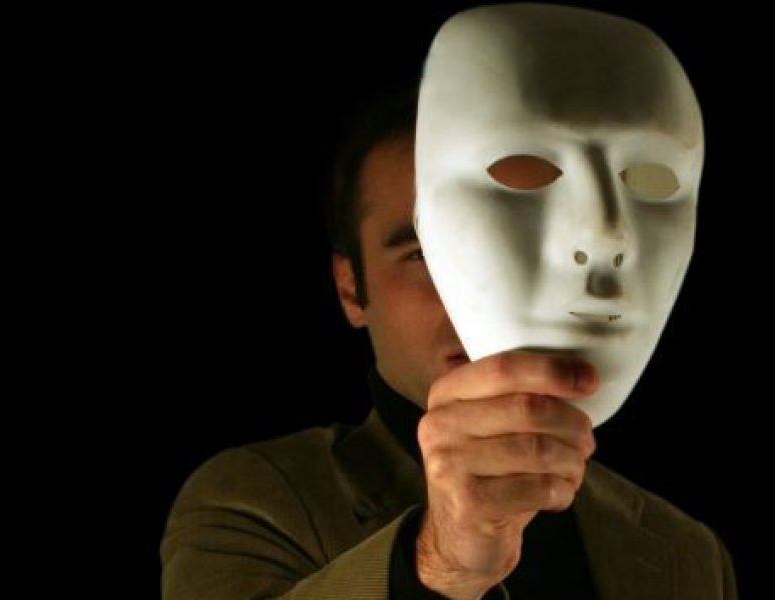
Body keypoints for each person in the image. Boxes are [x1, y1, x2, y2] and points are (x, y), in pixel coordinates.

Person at [161, 7, 736, 600]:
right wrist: (437, 564)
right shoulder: (252, 504)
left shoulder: (686, 554)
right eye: (421, 254)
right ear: (351, 287)